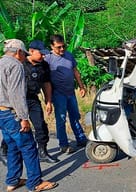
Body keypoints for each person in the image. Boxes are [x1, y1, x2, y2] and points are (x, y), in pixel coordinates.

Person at [0, 39, 57, 191]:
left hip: (2, 112)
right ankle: (35, 182)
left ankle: (12, 181)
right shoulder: (16, 65)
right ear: (18, 52)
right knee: (29, 147)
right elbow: (16, 94)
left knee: (13, 147)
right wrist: (23, 118)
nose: (24, 57)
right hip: (12, 113)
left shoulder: (0, 63)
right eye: (23, 54)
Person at [44, 34, 88, 154]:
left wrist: (81, 86)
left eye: (63, 46)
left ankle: (81, 138)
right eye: (59, 47)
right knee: (61, 119)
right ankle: (63, 144)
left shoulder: (69, 55)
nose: (62, 49)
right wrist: (48, 100)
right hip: (58, 94)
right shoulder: (48, 59)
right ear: (52, 47)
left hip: (71, 92)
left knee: (75, 116)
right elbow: (45, 79)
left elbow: (75, 71)